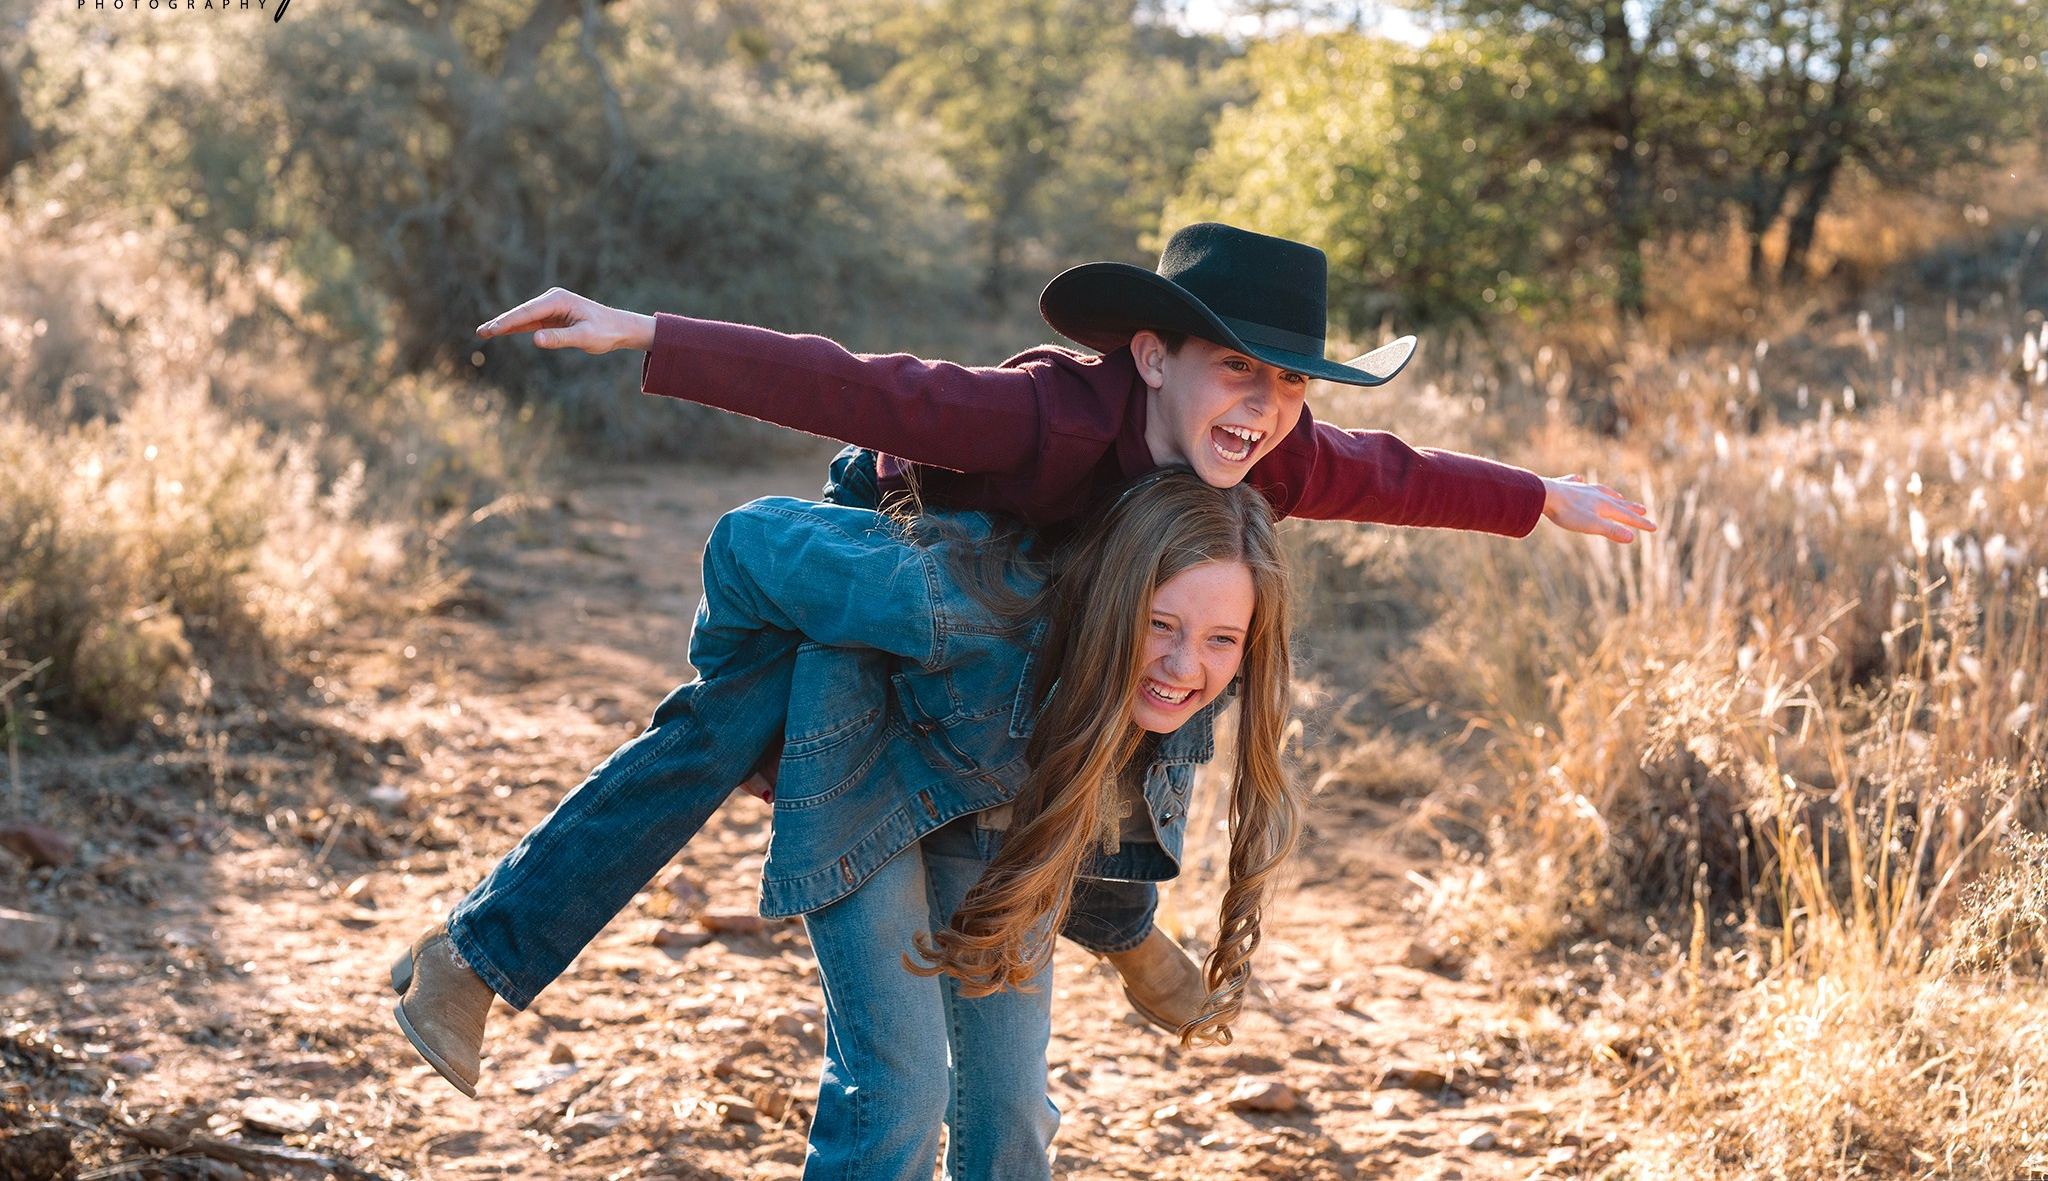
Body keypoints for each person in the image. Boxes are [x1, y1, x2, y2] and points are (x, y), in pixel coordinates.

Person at [390, 222, 1656, 1093]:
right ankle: (478, 956)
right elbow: (861, 389)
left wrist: (1536, 493)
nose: (1266, 404)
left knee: (1185, 647)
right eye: (1238, 368)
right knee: (716, 730)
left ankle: (1117, 913)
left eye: (1287, 381)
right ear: (1153, 356)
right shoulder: (1040, 412)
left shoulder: (1264, 449)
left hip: (1040, 617)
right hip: (889, 564)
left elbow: (1392, 471)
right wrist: (646, 332)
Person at [408, 470, 1295, 1181]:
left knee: (1013, 1111)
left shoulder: (1188, 660)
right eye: (1161, 626)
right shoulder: (955, 602)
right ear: (1114, 604)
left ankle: (1127, 934)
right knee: (898, 1094)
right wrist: (743, 707)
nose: (1188, 662)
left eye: (1222, 640)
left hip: (988, 810)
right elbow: (746, 541)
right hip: (861, 780)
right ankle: (476, 951)